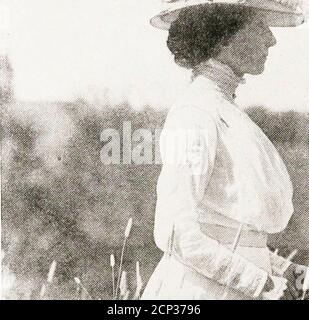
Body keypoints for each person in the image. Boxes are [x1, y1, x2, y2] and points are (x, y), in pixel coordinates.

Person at [141, 0, 307, 300]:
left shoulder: (223, 110)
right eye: (259, 26)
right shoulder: (195, 113)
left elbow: (228, 231)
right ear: (224, 36)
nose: (271, 38)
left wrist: (281, 269)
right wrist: (260, 283)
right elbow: (174, 231)